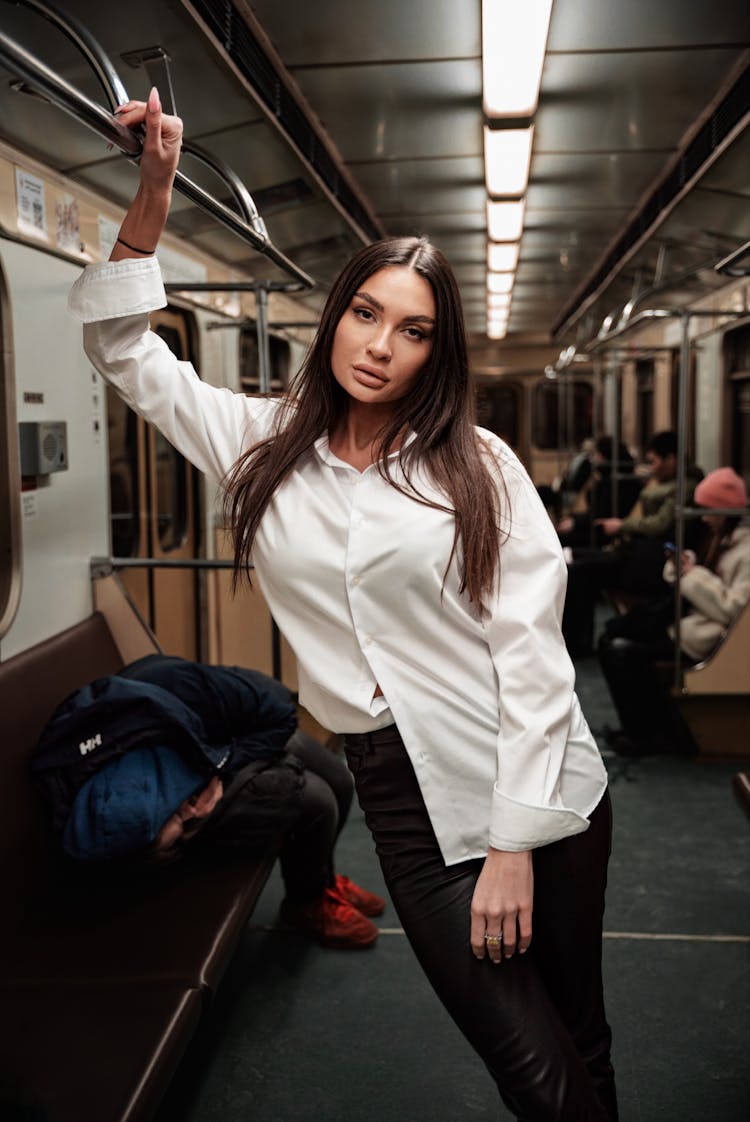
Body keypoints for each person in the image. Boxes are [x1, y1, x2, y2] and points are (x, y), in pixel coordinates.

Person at [68, 89, 617, 1120]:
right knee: (529, 1064)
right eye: (365, 313)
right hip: (401, 794)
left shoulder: (477, 465)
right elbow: (122, 351)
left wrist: (512, 843)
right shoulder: (260, 444)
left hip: (536, 777)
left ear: (435, 352)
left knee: (578, 1041)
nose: (380, 345)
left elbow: (533, 653)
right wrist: (154, 188)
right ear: (337, 316)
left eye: (413, 331)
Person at [32, 654, 385, 949]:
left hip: (233, 729)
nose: (187, 824)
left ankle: (322, 881)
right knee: (317, 801)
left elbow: (279, 716)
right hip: (195, 748)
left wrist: (223, 768)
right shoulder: (83, 795)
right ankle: (306, 901)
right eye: (185, 830)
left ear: (179, 800)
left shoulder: (191, 692)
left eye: (182, 823)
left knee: (338, 778)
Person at [598, 468, 750, 756]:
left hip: (711, 636)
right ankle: (640, 729)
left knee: (622, 652)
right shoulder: (721, 539)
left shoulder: (745, 552)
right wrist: (689, 569)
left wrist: (691, 576)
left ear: (725, 512)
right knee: (613, 643)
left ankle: (648, 734)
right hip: (694, 622)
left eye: (708, 511)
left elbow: (733, 609)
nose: (703, 519)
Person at [562, 430, 703, 656]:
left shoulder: (683, 488)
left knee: (580, 572)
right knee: (575, 566)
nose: (652, 468)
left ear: (672, 459)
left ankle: (577, 644)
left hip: (652, 562)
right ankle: (577, 640)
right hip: (638, 553)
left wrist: (622, 526)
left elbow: (659, 524)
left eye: (654, 461)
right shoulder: (661, 484)